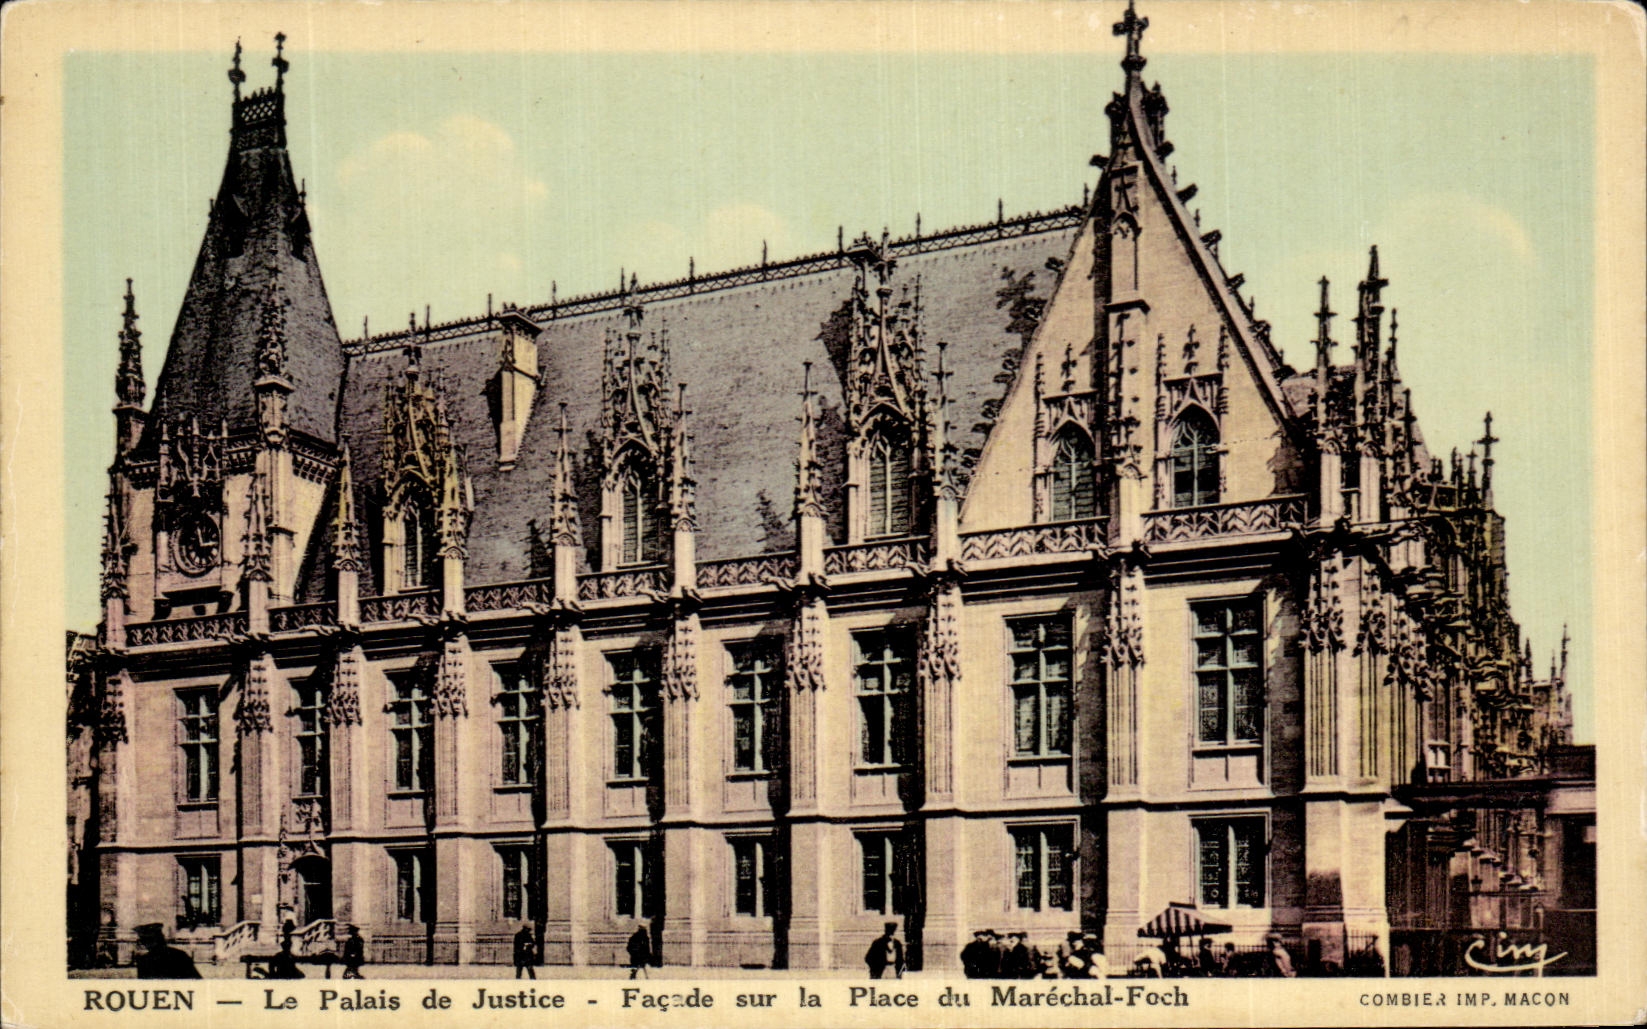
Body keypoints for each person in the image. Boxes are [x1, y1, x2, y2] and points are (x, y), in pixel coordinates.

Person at [133, 924, 201, 980]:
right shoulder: (181, 955)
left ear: (146, 943)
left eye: (142, 941)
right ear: (163, 938)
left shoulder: (144, 961)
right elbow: (198, 982)